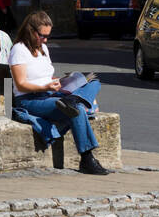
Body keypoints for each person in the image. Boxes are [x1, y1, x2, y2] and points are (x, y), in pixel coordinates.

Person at [8, 11, 109, 176]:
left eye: (48, 36)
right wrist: (45, 86)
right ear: (31, 31)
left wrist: (61, 80)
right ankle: (87, 158)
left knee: (94, 82)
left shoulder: (44, 49)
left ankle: (81, 100)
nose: (45, 40)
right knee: (75, 110)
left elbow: (46, 75)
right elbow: (21, 84)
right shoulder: (19, 50)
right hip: (30, 99)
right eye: (42, 35)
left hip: (50, 94)